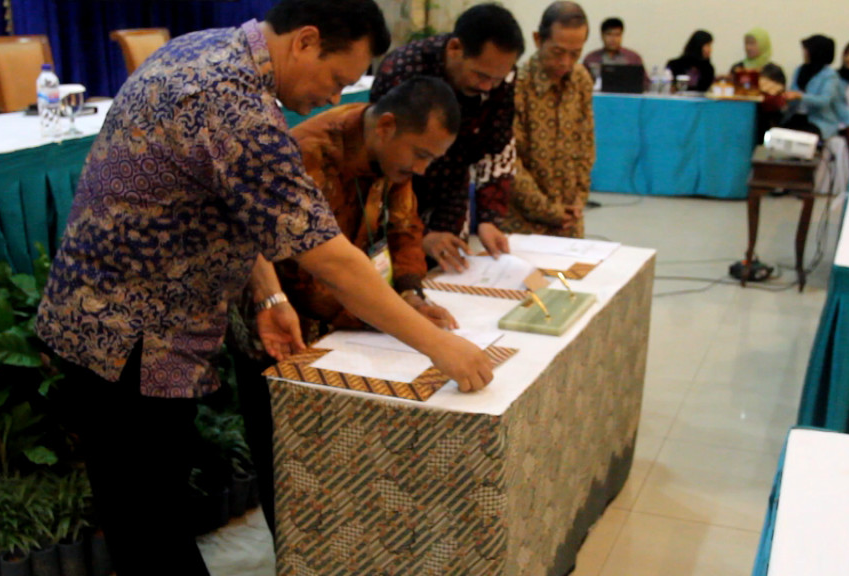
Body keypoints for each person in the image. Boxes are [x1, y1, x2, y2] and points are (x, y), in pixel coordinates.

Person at [34, 1, 494, 574]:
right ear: (305, 41)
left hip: (113, 325)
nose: (333, 98)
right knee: (152, 535)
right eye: (336, 79)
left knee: (147, 522)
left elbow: (223, 200)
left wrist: (266, 294)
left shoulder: (202, 48)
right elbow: (331, 258)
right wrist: (438, 345)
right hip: (131, 340)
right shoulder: (237, 104)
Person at [229, 76, 462, 534]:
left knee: (346, 464)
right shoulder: (307, 155)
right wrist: (392, 319)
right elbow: (306, 276)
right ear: (387, 126)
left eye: (432, 160)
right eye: (420, 155)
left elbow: (405, 225)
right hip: (281, 325)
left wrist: (411, 293)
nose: (421, 169)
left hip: (349, 320)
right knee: (288, 464)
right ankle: (294, 556)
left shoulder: (390, 155)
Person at [371, 3, 525, 273]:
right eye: (481, 75)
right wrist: (419, 235)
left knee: (450, 275)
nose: (487, 87)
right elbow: (383, 165)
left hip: (452, 195)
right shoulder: (404, 71)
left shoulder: (501, 77)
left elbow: (497, 146)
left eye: (496, 80)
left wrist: (488, 219)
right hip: (396, 202)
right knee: (404, 278)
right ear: (455, 48)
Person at [503, 1, 595, 238]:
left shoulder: (581, 79)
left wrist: (578, 199)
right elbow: (509, 161)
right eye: (558, 52)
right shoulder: (516, 84)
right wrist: (548, 211)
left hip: (570, 219)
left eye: (575, 54)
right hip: (523, 223)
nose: (565, 62)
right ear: (538, 39)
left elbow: (586, 144)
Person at [782, 34, 849, 140]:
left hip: (818, 121)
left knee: (804, 138)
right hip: (795, 117)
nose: (804, 53)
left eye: (806, 50)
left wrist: (800, 96)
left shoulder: (829, 75)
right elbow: (792, 94)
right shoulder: (800, 70)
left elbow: (824, 101)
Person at [581, 17, 647, 86]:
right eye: (609, 34)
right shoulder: (591, 59)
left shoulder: (633, 58)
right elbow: (581, 84)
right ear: (602, 36)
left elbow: (645, 84)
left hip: (626, 93)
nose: (613, 39)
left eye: (617, 35)